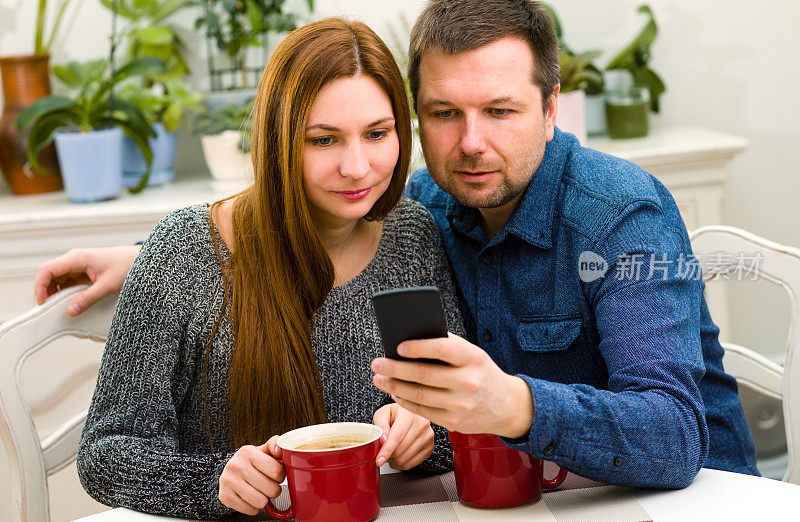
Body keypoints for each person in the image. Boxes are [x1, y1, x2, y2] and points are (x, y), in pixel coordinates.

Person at [38, 1, 757, 490]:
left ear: (551, 106)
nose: (471, 143)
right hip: (533, 505)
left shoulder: (618, 217)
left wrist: (512, 405)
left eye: (500, 111)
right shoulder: (426, 202)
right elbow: (314, 217)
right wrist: (159, 257)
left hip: (694, 503)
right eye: (444, 114)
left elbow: (673, 436)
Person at [72, 18, 464, 520]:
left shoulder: (412, 237)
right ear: (279, 140)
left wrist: (426, 437)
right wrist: (215, 481)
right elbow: (105, 454)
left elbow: (465, 413)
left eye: (377, 133)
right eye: (323, 140)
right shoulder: (184, 253)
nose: (357, 166)